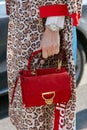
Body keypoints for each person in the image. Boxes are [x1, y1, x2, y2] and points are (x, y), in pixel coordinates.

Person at [6, 0, 82, 129]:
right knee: (28, 102)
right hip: (23, 22)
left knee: (50, 112)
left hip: (42, 26)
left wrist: (53, 25)